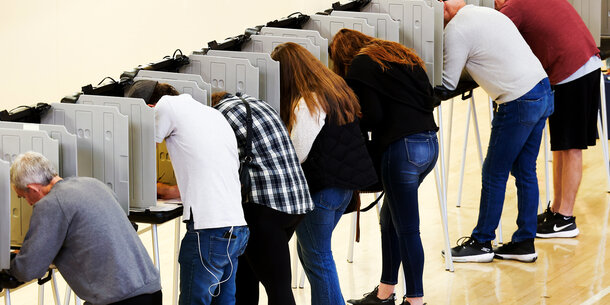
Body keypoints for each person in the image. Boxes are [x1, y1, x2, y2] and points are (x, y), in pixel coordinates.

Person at [329, 29, 439, 305]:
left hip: (400, 150)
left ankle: (415, 299)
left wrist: (353, 118)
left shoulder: (359, 65)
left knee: (408, 230)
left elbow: (374, 116)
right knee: (389, 220)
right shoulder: (399, 54)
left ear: (342, 56)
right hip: (428, 145)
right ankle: (385, 291)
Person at [441, 0, 554, 263]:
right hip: (541, 90)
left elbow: (446, 82)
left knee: (494, 172)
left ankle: (481, 242)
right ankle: (525, 242)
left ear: (443, 8)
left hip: (518, 101)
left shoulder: (456, 29)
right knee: (525, 170)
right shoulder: (484, 14)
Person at [270, 42, 378, 305]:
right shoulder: (335, 88)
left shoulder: (308, 101)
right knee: (314, 254)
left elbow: (298, 153)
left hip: (322, 189)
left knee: (318, 257)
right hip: (342, 187)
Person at [125, 80, 249, 305]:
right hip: (236, 228)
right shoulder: (210, 114)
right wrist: (168, 190)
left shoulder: (164, 107)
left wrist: (142, 188)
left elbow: (144, 158)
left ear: (148, 109)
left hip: (208, 230)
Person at [494, 0, 601, 239]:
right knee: (561, 144)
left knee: (571, 146)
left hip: (573, 69)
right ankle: (557, 211)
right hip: (580, 64)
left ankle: (565, 218)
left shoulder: (513, 8)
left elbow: (494, 43)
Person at [9, 151, 162, 305]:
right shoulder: (93, 184)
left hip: (120, 299)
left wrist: (11, 264)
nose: (28, 203)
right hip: (151, 290)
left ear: (33, 188)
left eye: (23, 196)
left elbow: (29, 270)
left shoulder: (51, 204)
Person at [212, 92, 314, 305]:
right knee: (248, 273)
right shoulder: (258, 103)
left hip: (264, 206)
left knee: (278, 289)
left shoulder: (219, 116)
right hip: (296, 199)